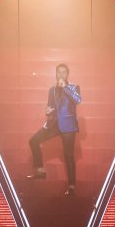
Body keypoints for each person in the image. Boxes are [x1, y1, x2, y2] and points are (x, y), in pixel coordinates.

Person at [26, 62, 82, 196]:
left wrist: (66, 88)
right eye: (59, 72)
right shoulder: (52, 89)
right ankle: (40, 171)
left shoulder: (74, 87)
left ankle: (72, 186)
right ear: (56, 74)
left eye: (64, 72)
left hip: (68, 126)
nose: (61, 74)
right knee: (33, 141)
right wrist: (48, 110)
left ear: (67, 74)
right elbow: (50, 105)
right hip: (54, 124)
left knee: (68, 156)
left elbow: (78, 100)